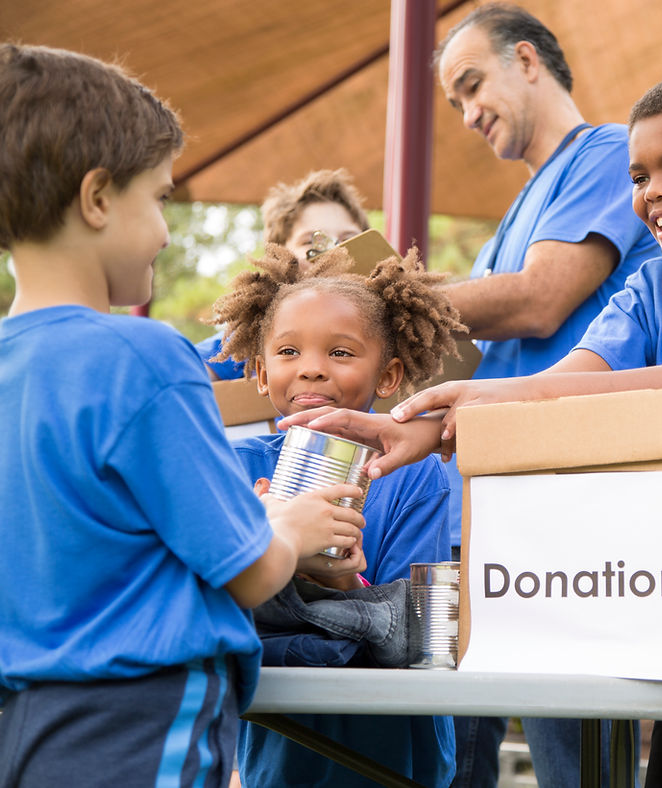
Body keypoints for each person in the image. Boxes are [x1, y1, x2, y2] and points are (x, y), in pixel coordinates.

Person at [281, 66, 662, 786]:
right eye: (641, 177)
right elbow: (560, 386)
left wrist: (493, 405)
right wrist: (431, 423)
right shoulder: (654, 284)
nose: (653, 194)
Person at [0, 44, 363, 788]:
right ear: (98, 198)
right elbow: (251, 572)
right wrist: (292, 527)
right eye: (159, 198)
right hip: (138, 725)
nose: (166, 231)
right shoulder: (148, 358)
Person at [433, 4, 660, 785]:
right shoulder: (515, 213)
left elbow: (538, 300)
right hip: (487, 499)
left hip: (565, 499)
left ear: (527, 60)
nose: (466, 115)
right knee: (462, 743)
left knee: (577, 753)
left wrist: (400, 297)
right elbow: (472, 333)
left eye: (472, 85)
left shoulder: (603, 154)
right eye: (454, 102)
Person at [208, 244, 465, 788]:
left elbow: (429, 640)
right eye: (287, 352)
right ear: (258, 372)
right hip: (283, 748)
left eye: (342, 353)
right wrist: (270, 546)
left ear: (390, 375)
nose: (312, 371)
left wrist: (343, 577)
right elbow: (217, 619)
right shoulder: (233, 470)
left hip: (393, 753)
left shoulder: (414, 473)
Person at [197, 167, 371, 380]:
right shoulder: (255, 335)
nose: (332, 251)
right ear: (279, 256)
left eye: (347, 240)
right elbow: (186, 375)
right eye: (311, 241)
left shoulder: (388, 334)